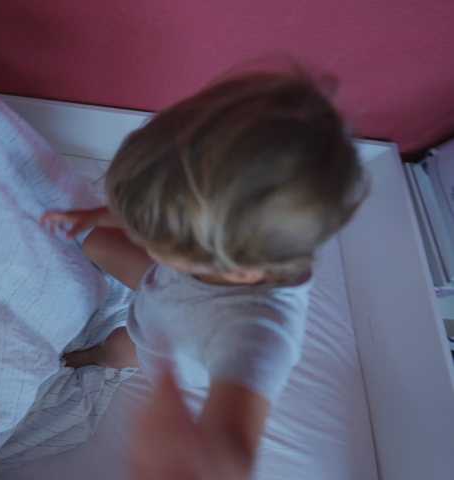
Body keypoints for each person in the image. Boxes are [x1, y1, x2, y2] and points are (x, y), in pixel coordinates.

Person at [41, 69, 366, 479]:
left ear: (239, 271)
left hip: (164, 344)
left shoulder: (258, 334)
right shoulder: (216, 234)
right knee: (94, 239)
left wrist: (198, 462)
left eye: (151, 234)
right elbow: (152, 213)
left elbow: (234, 439)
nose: (138, 230)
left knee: (117, 349)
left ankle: (96, 359)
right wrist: (94, 214)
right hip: (163, 287)